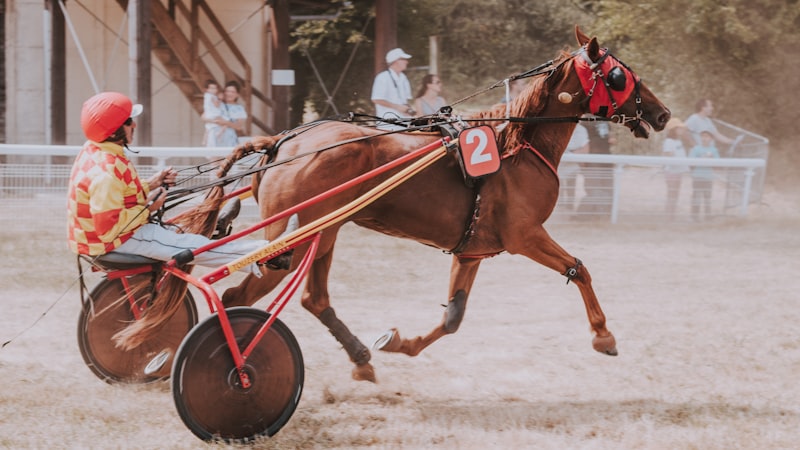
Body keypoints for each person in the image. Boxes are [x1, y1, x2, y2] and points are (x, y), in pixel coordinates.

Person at [67, 91, 296, 277]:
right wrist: (149, 209)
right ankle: (270, 253)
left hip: (103, 240)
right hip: (116, 241)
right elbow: (109, 228)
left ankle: (215, 230)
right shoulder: (106, 171)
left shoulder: (95, 151)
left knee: (182, 236)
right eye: (128, 122)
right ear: (114, 131)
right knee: (194, 247)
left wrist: (152, 184)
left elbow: (120, 196)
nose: (134, 126)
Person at [575, 117, 614, 218]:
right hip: (592, 160)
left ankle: (603, 214)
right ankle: (583, 215)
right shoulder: (585, 122)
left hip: (606, 159)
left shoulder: (605, 120)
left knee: (608, 188)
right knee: (593, 189)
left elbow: (609, 137)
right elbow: (582, 141)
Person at [371, 48, 414, 130]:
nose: (406, 62)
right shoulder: (383, 77)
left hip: (404, 123)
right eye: (403, 59)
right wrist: (397, 107)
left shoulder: (403, 77)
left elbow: (406, 100)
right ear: (396, 61)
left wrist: (407, 109)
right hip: (388, 124)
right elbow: (376, 99)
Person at [661, 118, 691, 219]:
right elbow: (667, 155)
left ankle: (671, 215)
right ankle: (668, 215)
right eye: (680, 128)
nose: (682, 130)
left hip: (678, 172)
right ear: (674, 129)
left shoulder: (678, 141)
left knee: (675, 194)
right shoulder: (669, 141)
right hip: (671, 172)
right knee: (672, 193)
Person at [688, 130, 720, 221]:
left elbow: (717, 164)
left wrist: (711, 159)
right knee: (696, 197)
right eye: (703, 136)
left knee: (707, 197)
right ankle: (694, 216)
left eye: (707, 136)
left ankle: (707, 216)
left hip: (708, 177)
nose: (704, 138)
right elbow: (691, 162)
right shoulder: (696, 149)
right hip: (697, 177)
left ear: (711, 139)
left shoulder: (714, 150)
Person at [560, 123, 589, 211]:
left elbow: (584, 147)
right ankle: (559, 208)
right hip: (558, 166)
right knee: (559, 188)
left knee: (571, 188)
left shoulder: (581, 130)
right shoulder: (560, 127)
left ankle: (569, 208)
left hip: (573, 167)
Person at [213, 80, 248, 147]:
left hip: (229, 138)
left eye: (232, 92)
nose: (229, 94)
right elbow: (205, 117)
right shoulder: (218, 104)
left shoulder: (239, 109)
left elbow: (239, 127)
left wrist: (226, 122)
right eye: (227, 91)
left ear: (237, 94)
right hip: (214, 136)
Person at [201, 79, 226, 147]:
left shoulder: (206, 95)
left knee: (207, 128)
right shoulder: (212, 96)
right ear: (207, 89)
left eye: (215, 88)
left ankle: (204, 140)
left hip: (208, 113)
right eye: (211, 88)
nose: (214, 90)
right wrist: (220, 99)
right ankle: (219, 133)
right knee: (225, 123)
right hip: (213, 114)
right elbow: (216, 105)